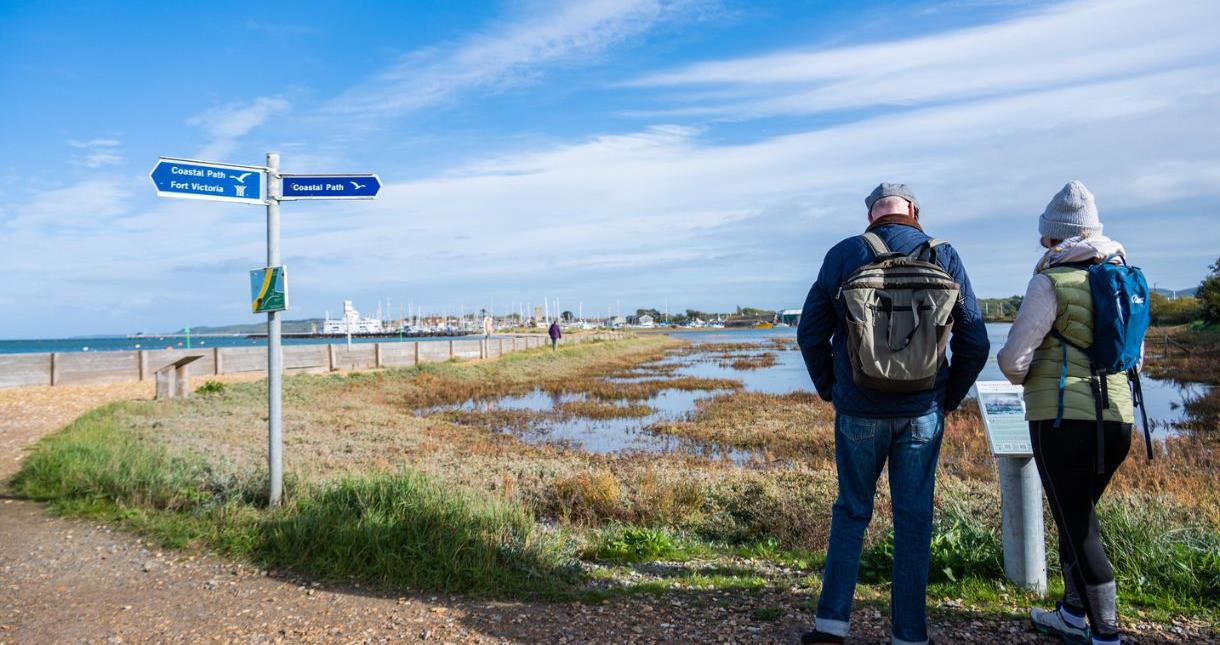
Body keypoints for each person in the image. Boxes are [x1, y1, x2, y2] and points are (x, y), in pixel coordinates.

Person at [797, 183, 990, 645]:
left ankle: (831, 626)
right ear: (914, 212)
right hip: (923, 411)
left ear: (871, 216)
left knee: (851, 512)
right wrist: (947, 396)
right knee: (914, 518)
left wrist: (832, 389)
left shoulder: (844, 254)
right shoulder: (945, 256)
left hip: (858, 409)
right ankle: (909, 634)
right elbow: (976, 340)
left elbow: (810, 332)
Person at [997, 181, 1134, 645]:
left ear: (1055, 237)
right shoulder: (1122, 278)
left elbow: (1013, 359)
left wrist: (1028, 378)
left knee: (1078, 524)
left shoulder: (1050, 280)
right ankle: (1073, 613)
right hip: (1118, 421)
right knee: (1078, 514)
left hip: (1061, 421)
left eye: (1045, 238)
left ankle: (1106, 633)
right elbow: (1134, 357)